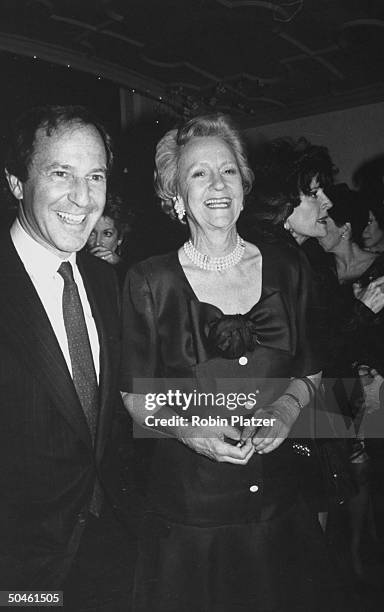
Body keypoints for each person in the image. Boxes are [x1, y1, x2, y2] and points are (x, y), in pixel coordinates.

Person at [121, 115, 353, 611]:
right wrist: (188, 430)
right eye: (199, 174)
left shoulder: (289, 267)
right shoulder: (148, 281)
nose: (218, 184)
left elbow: (310, 371)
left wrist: (289, 410)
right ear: (176, 196)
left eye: (228, 171)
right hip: (191, 522)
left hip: (281, 510)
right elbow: (134, 398)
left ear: (244, 188)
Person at [0, 105, 132, 592]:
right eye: (61, 173)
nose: (83, 198)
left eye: (95, 176)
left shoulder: (108, 282)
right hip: (19, 568)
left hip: (112, 553)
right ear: (16, 181)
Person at [86, 192, 133, 282]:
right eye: (92, 233)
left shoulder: (133, 272)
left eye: (107, 234)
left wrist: (119, 265)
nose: (98, 242)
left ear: (120, 238)